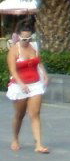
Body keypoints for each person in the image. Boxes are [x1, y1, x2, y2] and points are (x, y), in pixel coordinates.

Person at [6, 20, 49, 153]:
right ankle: (15, 138)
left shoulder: (34, 46)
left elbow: (38, 62)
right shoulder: (14, 50)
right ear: (18, 36)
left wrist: (45, 75)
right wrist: (21, 83)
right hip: (20, 85)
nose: (26, 40)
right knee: (20, 114)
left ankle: (39, 144)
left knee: (35, 114)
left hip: (35, 83)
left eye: (29, 37)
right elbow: (12, 70)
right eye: (24, 38)